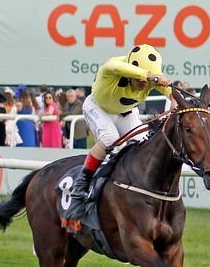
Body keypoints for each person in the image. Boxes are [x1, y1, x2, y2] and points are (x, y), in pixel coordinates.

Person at [71, 44, 173, 199]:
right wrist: (149, 76)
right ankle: (82, 182)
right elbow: (118, 68)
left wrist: (174, 99)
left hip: (125, 112)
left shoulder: (152, 75)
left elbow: (170, 91)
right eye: (140, 79)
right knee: (109, 139)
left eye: (146, 80)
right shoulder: (112, 66)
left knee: (144, 143)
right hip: (98, 107)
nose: (144, 84)